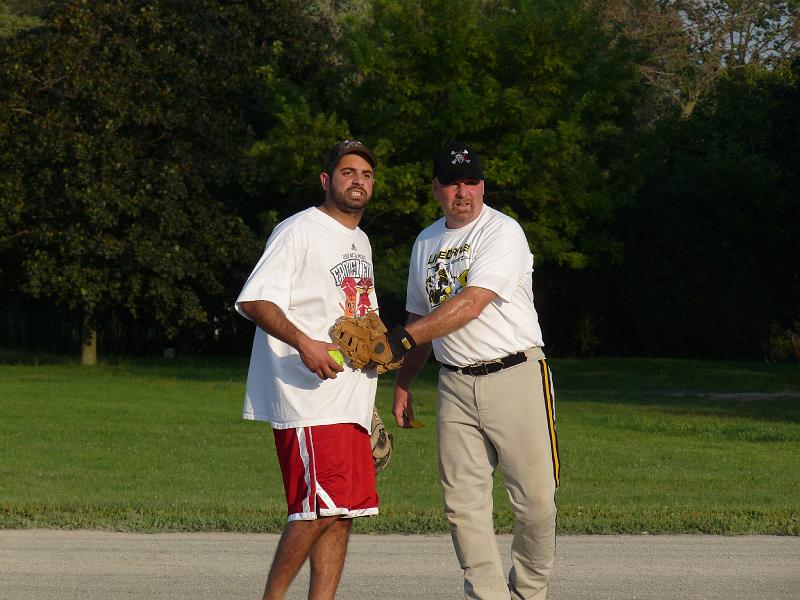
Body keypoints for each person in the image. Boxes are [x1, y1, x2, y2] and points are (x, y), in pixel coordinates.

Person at [391, 140, 560, 600]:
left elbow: (470, 304)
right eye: (452, 183)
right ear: (436, 189)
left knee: (536, 502)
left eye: (470, 182)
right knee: (462, 506)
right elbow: (420, 317)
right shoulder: (425, 242)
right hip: (454, 383)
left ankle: (528, 592)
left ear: (483, 186)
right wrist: (404, 381)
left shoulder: (502, 232)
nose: (462, 192)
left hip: (515, 376)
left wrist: (401, 340)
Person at [236, 140, 382, 600]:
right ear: (326, 180)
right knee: (315, 510)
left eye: (366, 174)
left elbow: (359, 320)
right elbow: (255, 299)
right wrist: (304, 343)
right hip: (307, 397)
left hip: (350, 398)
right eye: (347, 172)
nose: (358, 180)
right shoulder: (299, 229)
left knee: (341, 514)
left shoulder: (361, 241)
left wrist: (376, 365)